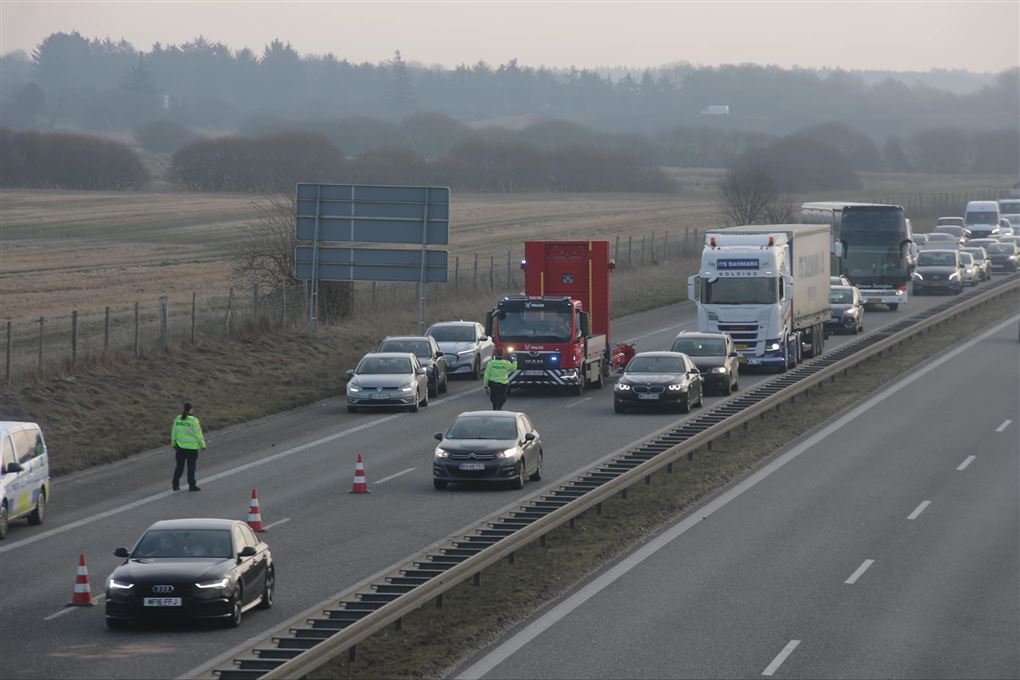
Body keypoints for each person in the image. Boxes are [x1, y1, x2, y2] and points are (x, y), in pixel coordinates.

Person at [171, 402, 206, 491]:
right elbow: (198, 434)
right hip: (191, 449)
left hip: (180, 447)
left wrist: (173, 444)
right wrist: (202, 445)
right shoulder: (194, 421)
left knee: (179, 467)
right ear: (191, 409)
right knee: (191, 468)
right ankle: (192, 485)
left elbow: (174, 433)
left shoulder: (177, 419)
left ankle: (175, 484)